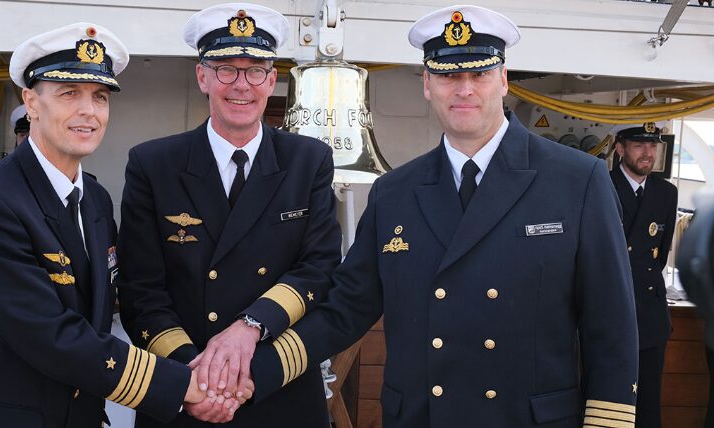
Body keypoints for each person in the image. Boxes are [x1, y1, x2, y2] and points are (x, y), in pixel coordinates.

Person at [248, 5, 640, 427]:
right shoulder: (393, 193)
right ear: (428, 85)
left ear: (503, 80)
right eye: (449, 75)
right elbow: (345, 308)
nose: (464, 89)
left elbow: (611, 326)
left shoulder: (577, 180)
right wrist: (251, 373)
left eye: (479, 74)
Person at [0, 23, 215, 428]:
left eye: (99, 97)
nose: (88, 111)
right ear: (32, 103)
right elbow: (49, 335)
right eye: (68, 93)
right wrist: (182, 386)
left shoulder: (94, 200)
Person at [117, 3, 341, 426]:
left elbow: (319, 269)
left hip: (280, 391)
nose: (242, 85)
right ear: (202, 77)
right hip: (187, 392)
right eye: (226, 69)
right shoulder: (153, 164)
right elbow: (141, 290)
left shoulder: (308, 161)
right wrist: (200, 377)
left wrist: (250, 326)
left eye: (255, 69)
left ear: (272, 80)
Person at [610, 122, 678, 428]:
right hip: (608, 312)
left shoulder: (666, 193)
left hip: (650, 315)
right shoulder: (600, 185)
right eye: (638, 146)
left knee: (648, 400)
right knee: (606, 399)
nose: (647, 153)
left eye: (653, 146)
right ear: (620, 148)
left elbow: (659, 256)